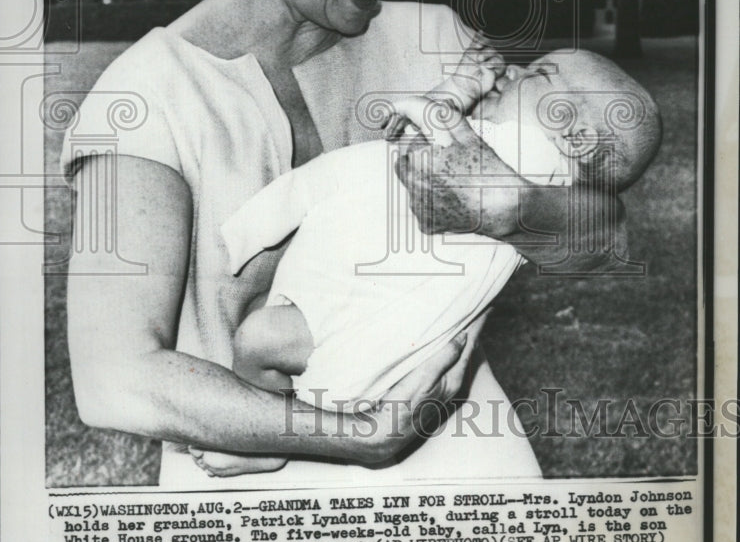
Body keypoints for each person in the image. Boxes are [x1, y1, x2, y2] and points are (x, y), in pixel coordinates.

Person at [62, 0, 626, 488]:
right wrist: (359, 438)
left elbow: (601, 232)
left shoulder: (439, 45)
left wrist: (513, 209)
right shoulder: (147, 100)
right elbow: (114, 377)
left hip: (468, 482)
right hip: (256, 515)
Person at [189, 45, 661, 477]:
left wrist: (461, 91)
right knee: (264, 339)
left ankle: (262, 439)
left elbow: (414, 138)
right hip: (399, 356)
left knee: (258, 340)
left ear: (574, 137)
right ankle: (274, 436)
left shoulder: (525, 155)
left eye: (538, 75)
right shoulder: (534, 168)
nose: (513, 71)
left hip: (376, 334)